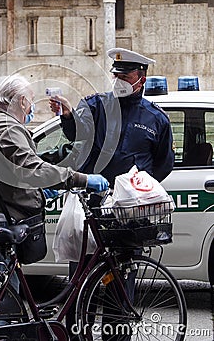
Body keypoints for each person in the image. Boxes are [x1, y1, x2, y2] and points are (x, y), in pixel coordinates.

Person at [49, 48, 175, 340]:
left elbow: (163, 164)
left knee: (120, 290)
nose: (117, 79)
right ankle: (78, 333)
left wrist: (139, 189)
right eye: (115, 74)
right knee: (81, 284)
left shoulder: (156, 119)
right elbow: (76, 134)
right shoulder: (95, 106)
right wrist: (68, 116)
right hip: (92, 211)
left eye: (125, 75)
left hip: (128, 216)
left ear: (140, 79)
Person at [0, 74, 109, 293]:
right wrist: (81, 179)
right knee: (1, 298)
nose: (32, 108)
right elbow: (31, 169)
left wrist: (39, 194)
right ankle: (4, 327)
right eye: (31, 101)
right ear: (22, 101)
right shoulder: (7, 127)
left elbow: (6, 175)